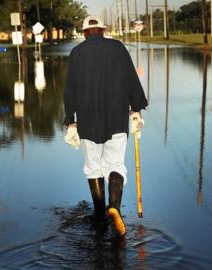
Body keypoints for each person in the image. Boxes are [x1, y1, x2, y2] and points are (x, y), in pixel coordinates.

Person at [63, 15, 148, 237]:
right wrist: (136, 107)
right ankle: (114, 208)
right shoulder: (118, 48)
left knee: (93, 165)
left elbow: (70, 90)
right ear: (102, 30)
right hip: (116, 117)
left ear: (84, 33)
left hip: (88, 119)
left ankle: (100, 214)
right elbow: (131, 78)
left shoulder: (76, 53)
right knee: (116, 163)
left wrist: (69, 119)